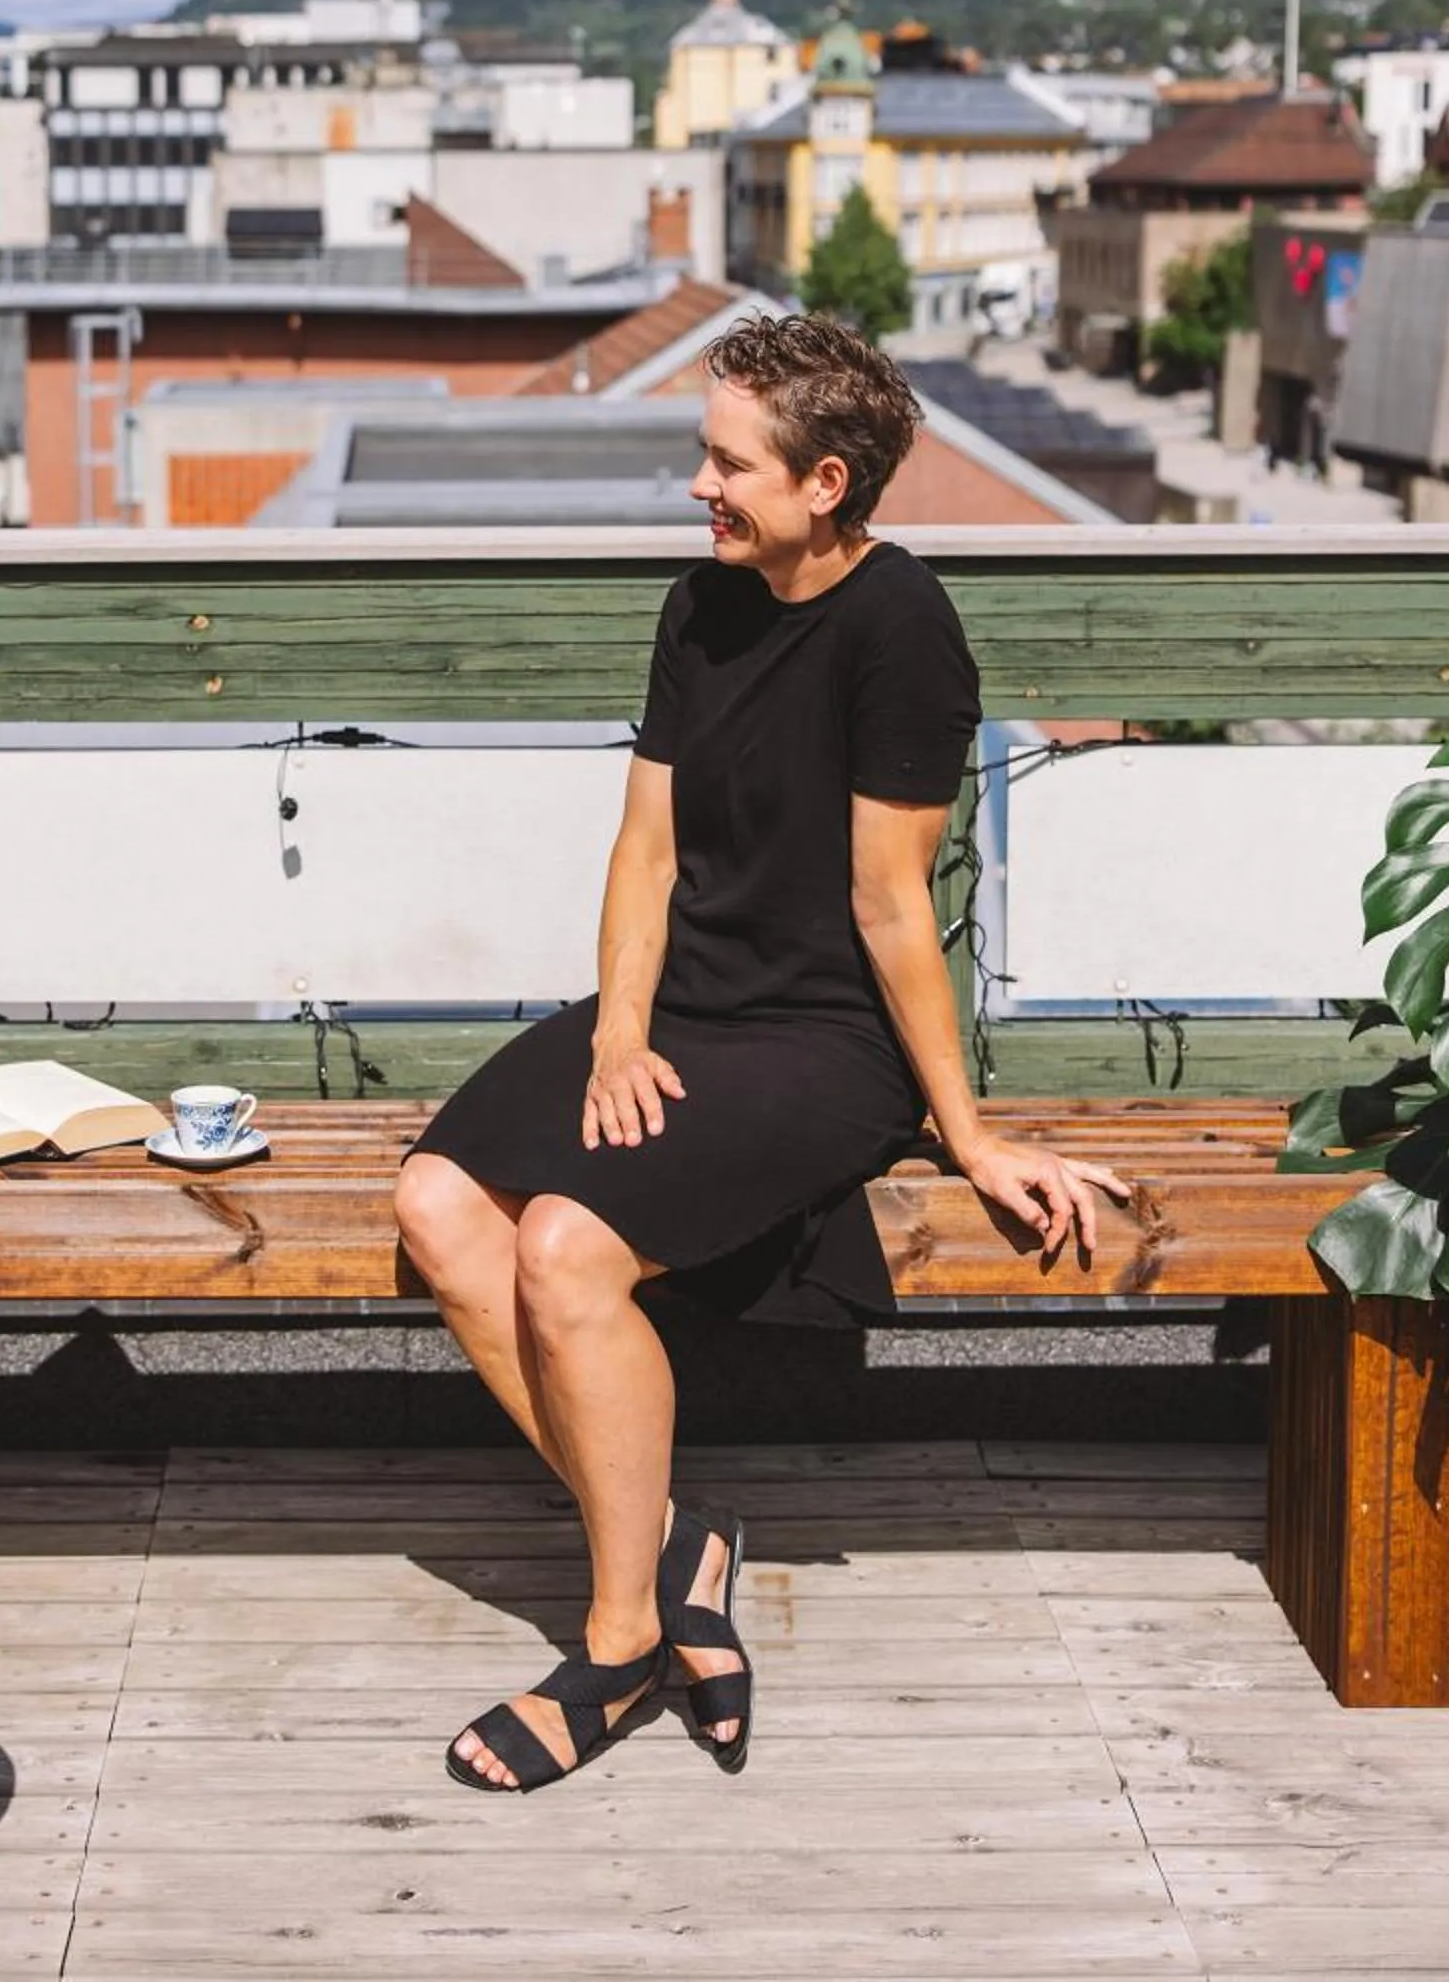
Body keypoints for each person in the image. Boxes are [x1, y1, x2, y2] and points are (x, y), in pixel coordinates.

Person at [394, 310, 1131, 1794]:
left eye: (728, 464)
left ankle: (613, 1645)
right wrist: (613, 1033)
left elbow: (890, 907)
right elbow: (646, 845)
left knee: (565, 1246)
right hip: (681, 1014)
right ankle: (677, 1546)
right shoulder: (699, 606)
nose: (699, 487)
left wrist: (964, 1132)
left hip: (822, 1040)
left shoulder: (900, 626)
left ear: (828, 483)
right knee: (433, 1204)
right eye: (703, 456)